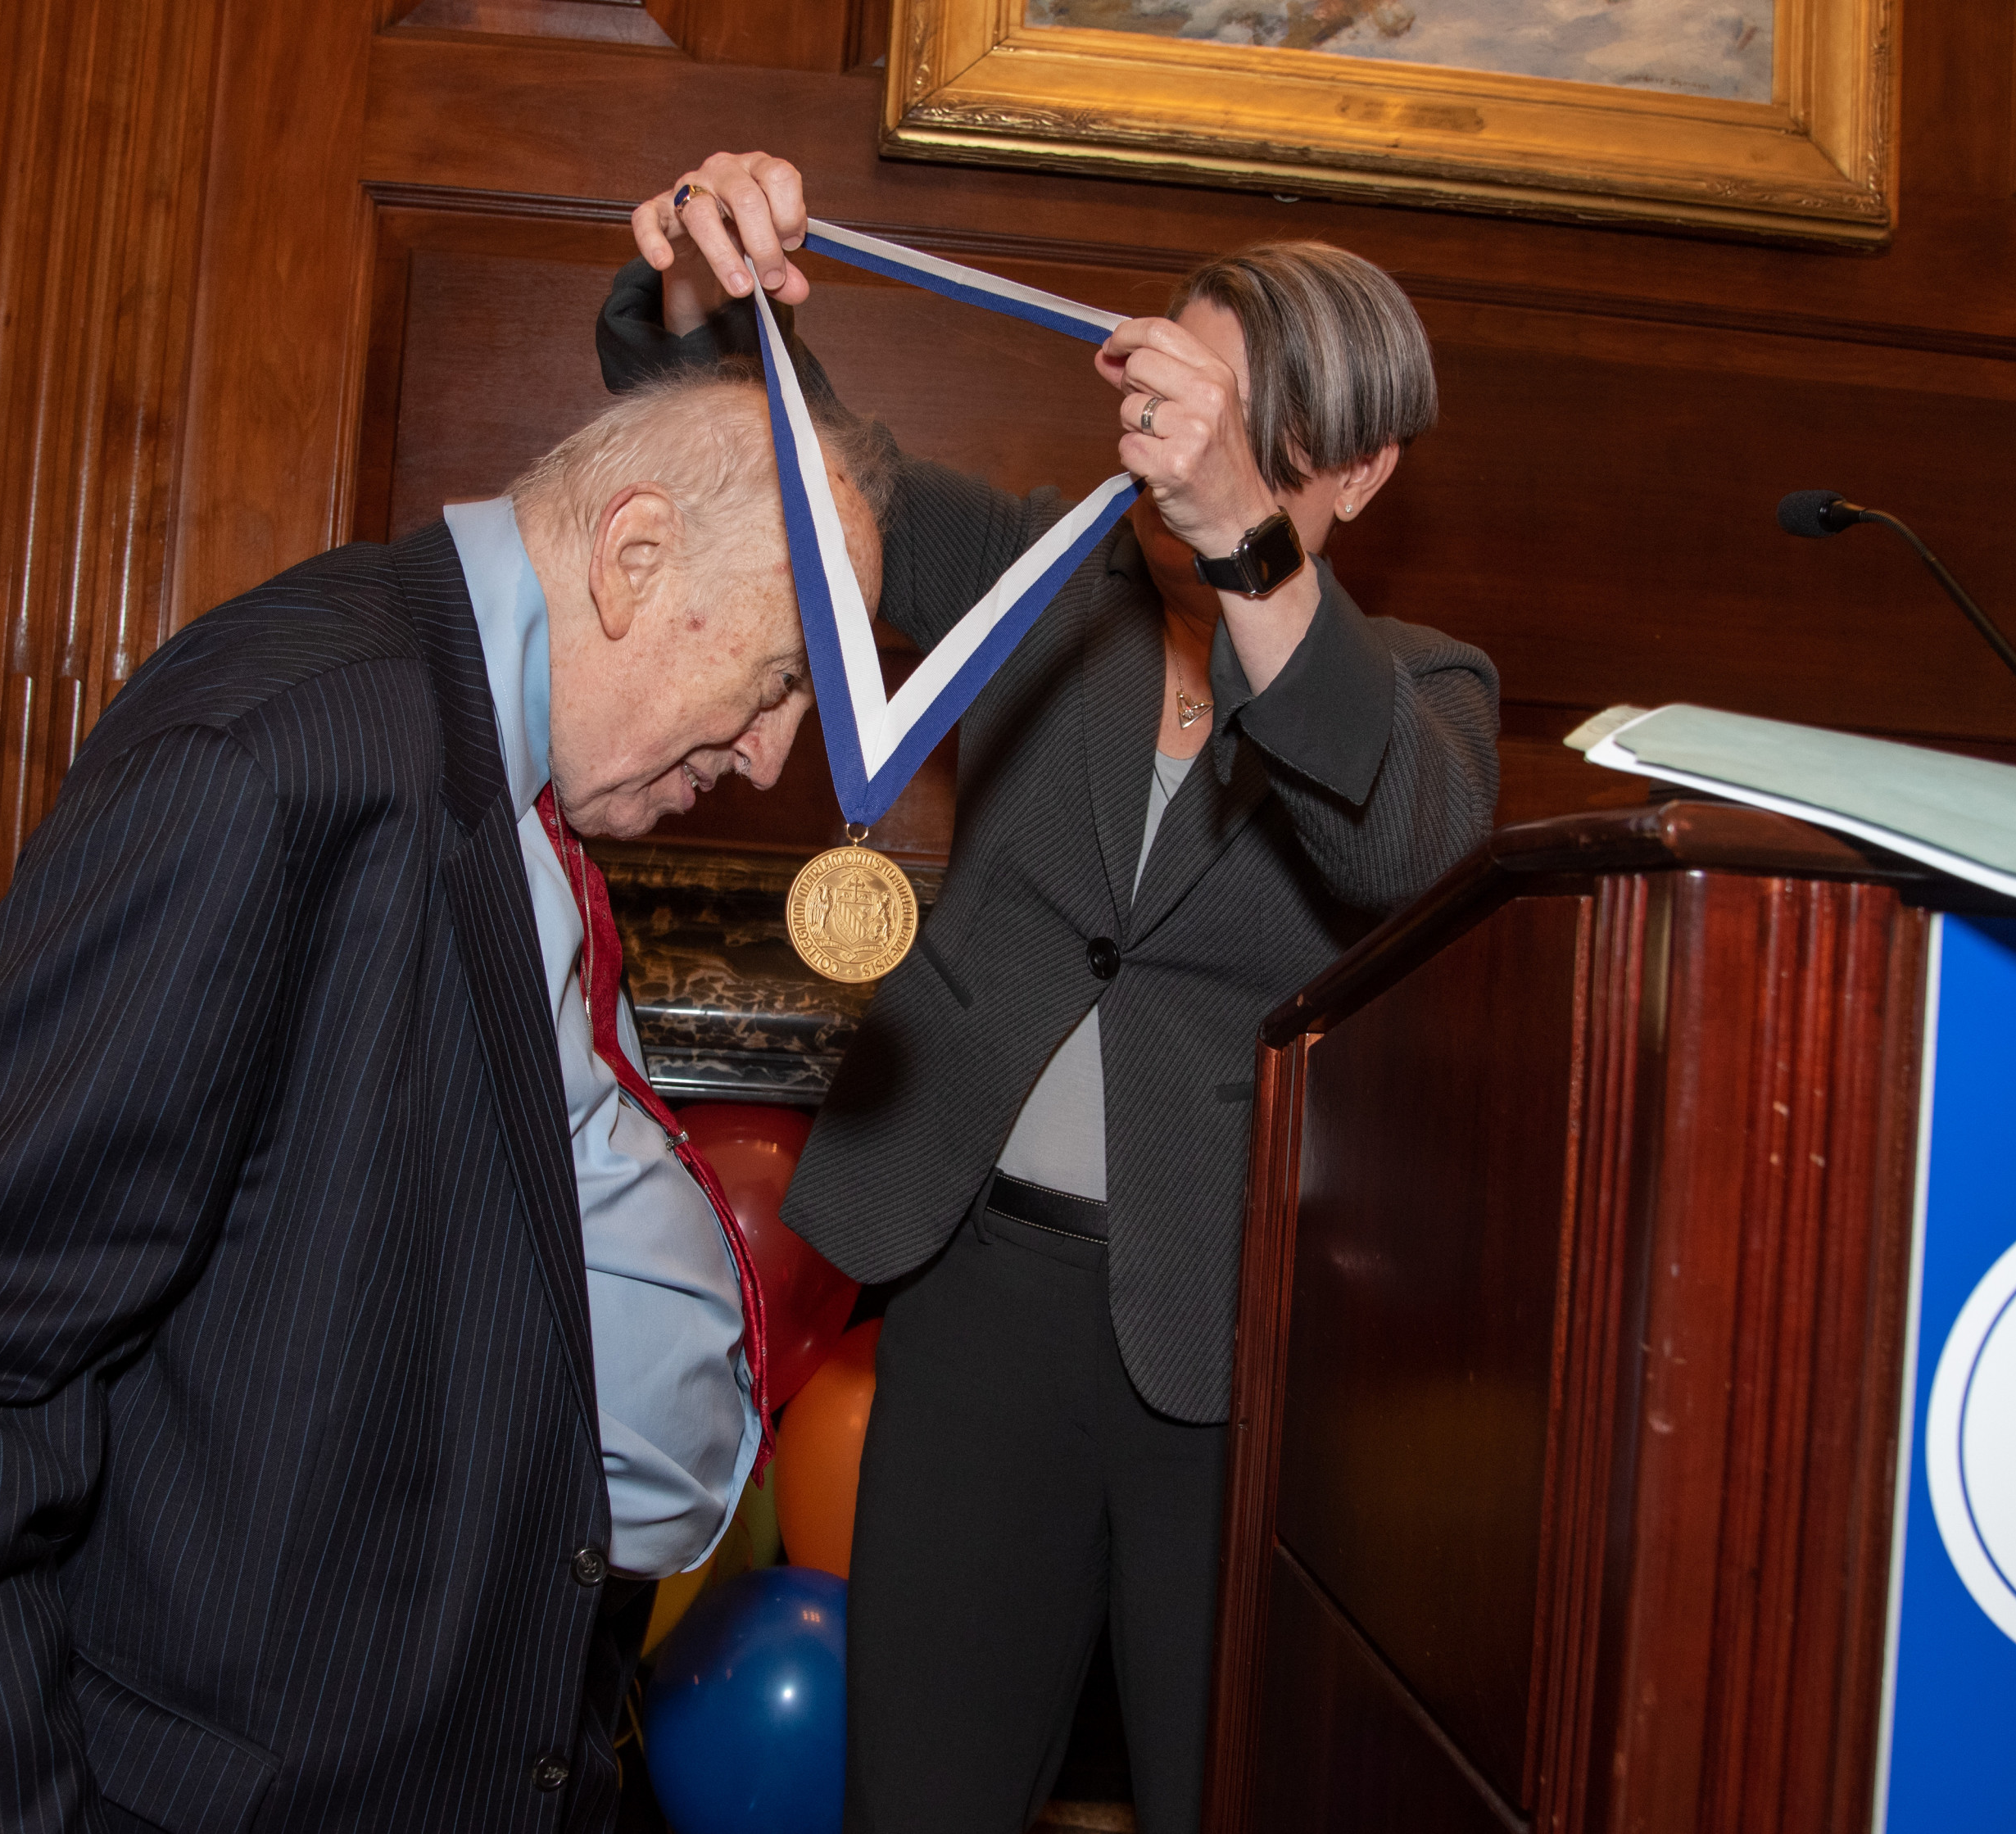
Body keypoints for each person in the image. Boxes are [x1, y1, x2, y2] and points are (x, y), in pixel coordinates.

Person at [0, 367, 890, 1832]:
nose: (774, 757)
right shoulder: (279, 753)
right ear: (633, 556)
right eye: (780, 682)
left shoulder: (507, 764)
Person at [606, 153, 1500, 1834]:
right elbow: (791, 481)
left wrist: (1245, 552)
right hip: (981, 1289)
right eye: (1176, 392)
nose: (1182, 447)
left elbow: (1397, 844)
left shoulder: (1423, 691)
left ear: (1361, 471)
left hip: (1234, 1341)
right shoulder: (1035, 573)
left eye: (1240, 422)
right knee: (922, 1795)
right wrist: (699, 299)